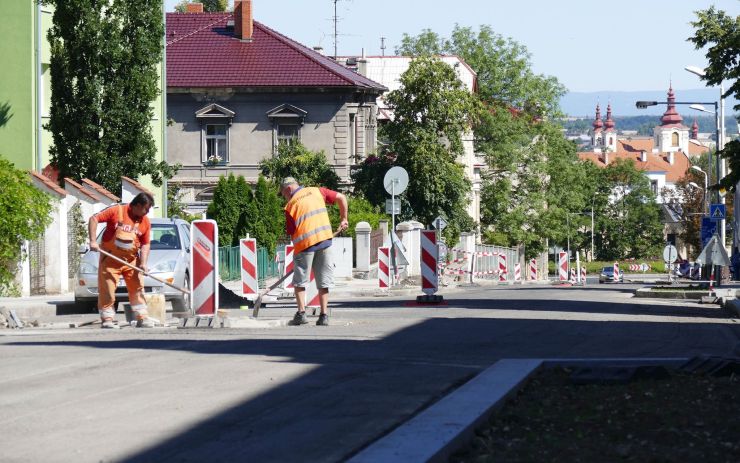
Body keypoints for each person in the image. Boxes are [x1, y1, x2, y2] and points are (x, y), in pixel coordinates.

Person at [280, 177, 348, 326]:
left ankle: (301, 314)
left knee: (299, 282)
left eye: (284, 194)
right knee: (323, 282)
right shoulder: (317, 191)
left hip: (304, 246)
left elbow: (291, 231)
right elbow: (341, 197)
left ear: (289, 189)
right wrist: (343, 219)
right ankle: (323, 316)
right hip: (325, 242)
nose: (285, 197)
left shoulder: (290, 205)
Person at [88, 192, 155, 329]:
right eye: (146, 209)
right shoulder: (116, 211)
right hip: (110, 259)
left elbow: (145, 244)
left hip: (130, 261)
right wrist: (93, 241)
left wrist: (143, 263)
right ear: (137, 205)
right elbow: (94, 219)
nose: (147, 213)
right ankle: (107, 318)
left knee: (137, 289)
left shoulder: (145, 222)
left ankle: (142, 317)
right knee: (107, 289)